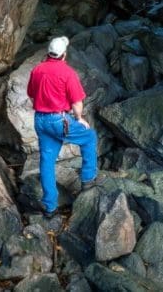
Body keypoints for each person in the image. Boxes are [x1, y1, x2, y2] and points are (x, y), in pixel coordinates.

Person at [27, 36, 104, 216]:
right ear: (64, 54)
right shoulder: (67, 73)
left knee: (47, 161)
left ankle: (50, 206)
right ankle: (87, 178)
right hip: (58, 120)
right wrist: (79, 118)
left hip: (40, 120)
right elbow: (77, 102)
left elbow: (31, 94)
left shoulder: (37, 70)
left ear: (49, 53)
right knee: (89, 137)